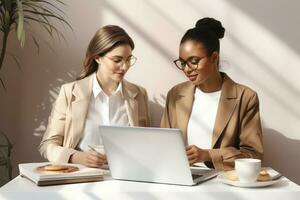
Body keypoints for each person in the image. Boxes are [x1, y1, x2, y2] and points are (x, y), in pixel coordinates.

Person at [39, 25, 150, 168]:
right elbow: (47, 145)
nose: (125, 67)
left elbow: (145, 144)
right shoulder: (70, 92)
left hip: (127, 178)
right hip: (80, 179)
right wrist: (76, 157)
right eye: (117, 60)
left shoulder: (139, 94)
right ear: (98, 57)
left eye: (129, 59)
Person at [161, 17, 263, 170]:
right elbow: (163, 146)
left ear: (214, 58)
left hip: (224, 184)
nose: (187, 69)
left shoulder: (245, 97)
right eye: (182, 62)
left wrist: (208, 155)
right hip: (181, 180)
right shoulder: (175, 95)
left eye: (194, 61)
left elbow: (253, 155)